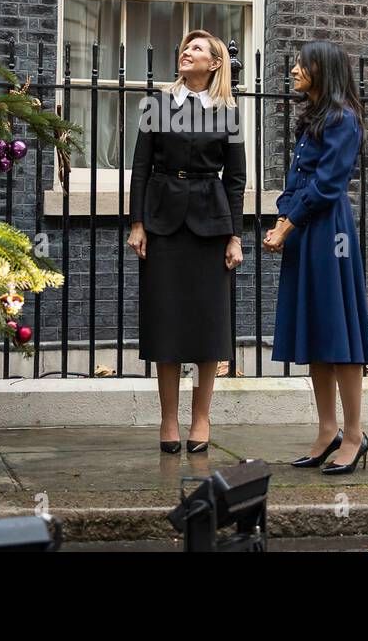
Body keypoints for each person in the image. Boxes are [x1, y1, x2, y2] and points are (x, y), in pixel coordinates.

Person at [128, 30, 245, 454]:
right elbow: (140, 166)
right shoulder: (157, 105)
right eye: (185, 47)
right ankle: (168, 421)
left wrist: (235, 236)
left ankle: (201, 418)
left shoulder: (227, 112)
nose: (187, 52)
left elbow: (235, 179)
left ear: (215, 64)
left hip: (211, 226)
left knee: (208, 327)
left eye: (197, 49)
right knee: (167, 324)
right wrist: (137, 223)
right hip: (162, 222)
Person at [264, 40, 368, 474]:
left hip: (329, 230)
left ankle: (353, 434)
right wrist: (281, 219)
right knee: (315, 332)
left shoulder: (344, 119)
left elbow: (329, 184)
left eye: (301, 65)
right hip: (306, 227)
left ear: (322, 71)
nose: (293, 70)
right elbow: (296, 179)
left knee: (339, 332)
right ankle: (327, 429)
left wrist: (289, 224)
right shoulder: (311, 118)